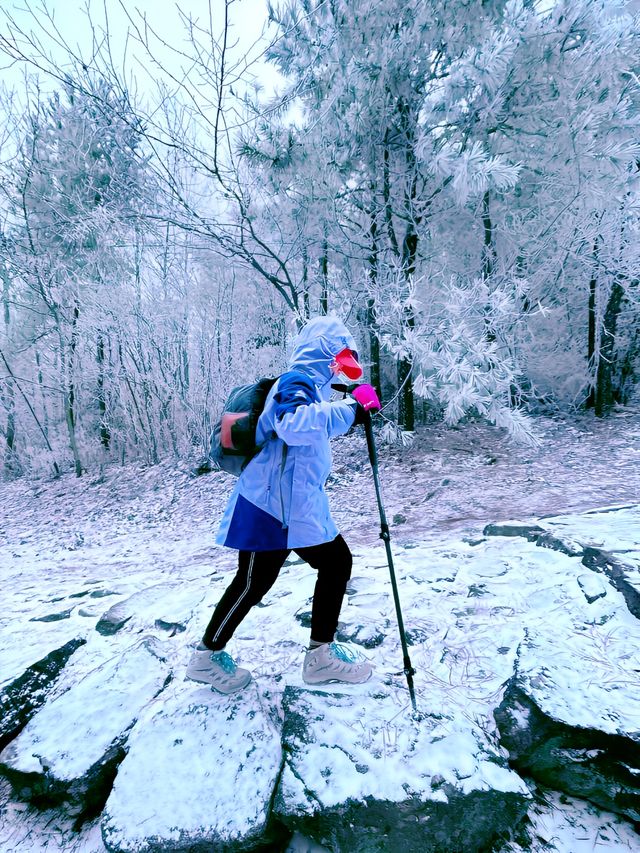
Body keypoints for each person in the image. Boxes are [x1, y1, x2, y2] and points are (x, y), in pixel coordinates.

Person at [186, 315, 381, 694]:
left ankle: (320, 657)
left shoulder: (311, 388)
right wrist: (353, 410)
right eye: (343, 357)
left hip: (295, 506)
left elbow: (305, 433)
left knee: (334, 562)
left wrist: (350, 407)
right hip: (269, 507)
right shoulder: (294, 382)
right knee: (252, 582)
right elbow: (293, 424)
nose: (347, 367)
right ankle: (206, 657)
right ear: (326, 353)